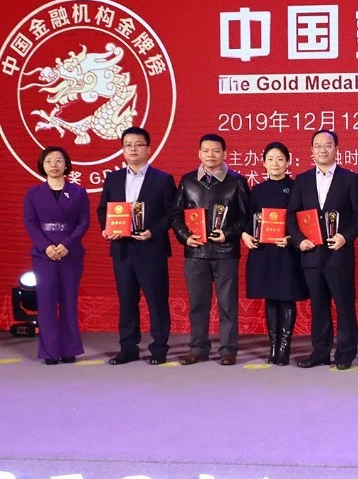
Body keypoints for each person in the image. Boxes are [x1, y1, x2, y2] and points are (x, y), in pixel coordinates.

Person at [96, 127, 177, 365]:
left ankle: (159, 348)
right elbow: (103, 209)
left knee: (156, 301)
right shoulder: (113, 178)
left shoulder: (162, 179)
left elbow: (172, 213)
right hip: (122, 249)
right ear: (123, 149)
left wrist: (153, 231)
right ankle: (128, 348)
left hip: (151, 248)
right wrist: (106, 228)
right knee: (127, 301)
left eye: (138, 144)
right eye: (128, 145)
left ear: (148, 149)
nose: (133, 149)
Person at [286, 129, 358, 370]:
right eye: (318, 146)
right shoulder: (302, 180)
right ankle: (320, 352)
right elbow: (292, 215)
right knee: (318, 307)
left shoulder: (350, 179)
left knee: (344, 306)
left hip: (339, 254)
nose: (323, 150)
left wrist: (345, 237)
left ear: (336, 149)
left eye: (328, 145)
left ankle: (345, 354)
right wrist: (299, 240)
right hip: (311, 254)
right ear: (311, 151)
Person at [172, 134, 251, 365]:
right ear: (199, 153)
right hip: (196, 253)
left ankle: (228, 350)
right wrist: (186, 237)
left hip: (226, 252)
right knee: (198, 305)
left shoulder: (237, 181)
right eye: (206, 150)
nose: (211, 155)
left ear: (224, 153)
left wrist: (228, 234)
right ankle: (198, 349)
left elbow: (246, 217)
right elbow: (175, 215)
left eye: (216, 150)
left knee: (227, 305)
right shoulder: (188, 181)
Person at [242, 141, 308, 366]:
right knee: (270, 297)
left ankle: (284, 348)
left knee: (286, 297)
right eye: (270, 159)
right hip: (264, 252)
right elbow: (250, 219)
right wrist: (246, 235)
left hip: (287, 251)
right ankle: (273, 346)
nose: (275, 163)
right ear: (263, 163)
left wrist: (292, 239)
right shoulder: (258, 190)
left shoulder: (297, 187)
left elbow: (303, 219)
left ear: (288, 162)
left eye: (280, 159)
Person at [22, 147, 89, 364]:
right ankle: (49, 351)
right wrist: (46, 247)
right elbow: (30, 223)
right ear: (42, 166)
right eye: (49, 161)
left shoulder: (78, 192)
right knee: (47, 303)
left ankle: (69, 349)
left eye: (59, 160)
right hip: (44, 255)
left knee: (69, 302)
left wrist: (67, 244)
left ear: (66, 165)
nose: (54, 164)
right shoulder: (33, 193)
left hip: (71, 253)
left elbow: (83, 222)